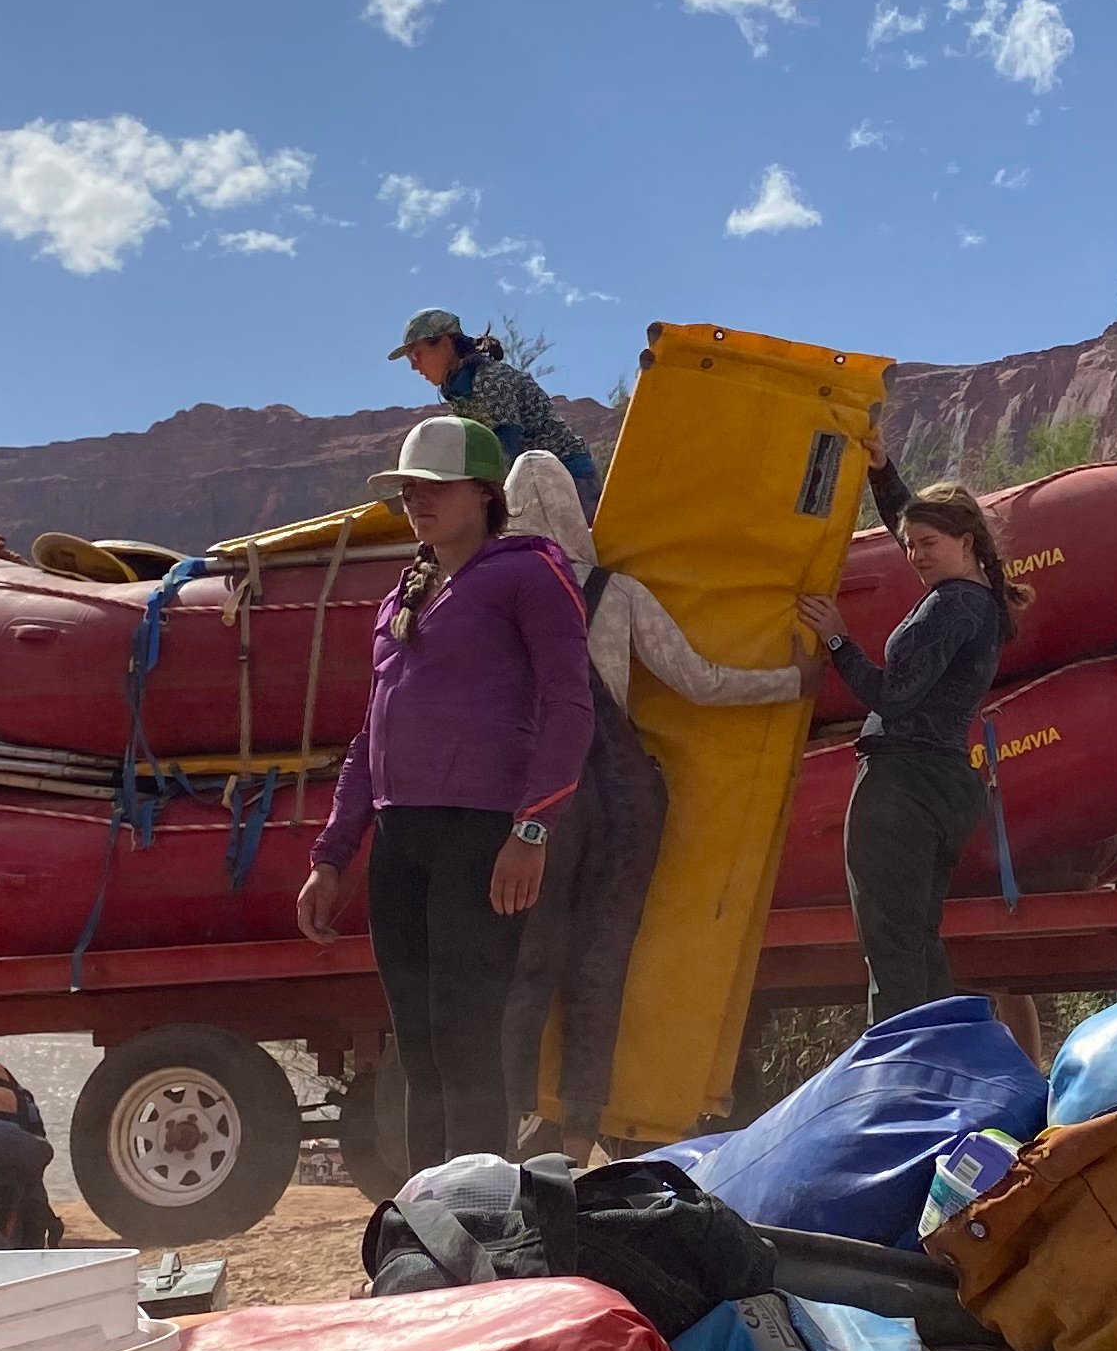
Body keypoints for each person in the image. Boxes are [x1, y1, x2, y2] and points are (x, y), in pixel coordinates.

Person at [294, 415, 595, 1168]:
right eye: (407, 489)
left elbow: (570, 705)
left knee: (468, 1042)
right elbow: (372, 733)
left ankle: (483, 1224)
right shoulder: (403, 597)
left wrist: (532, 831)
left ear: (485, 493)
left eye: (435, 487)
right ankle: (427, 1229)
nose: (417, 501)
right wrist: (332, 854)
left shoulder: (531, 572)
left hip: (483, 836)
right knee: (419, 1051)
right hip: (402, 843)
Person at [496, 448, 810, 1145]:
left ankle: (503, 1128)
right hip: (624, 800)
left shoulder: (499, 595)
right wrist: (790, 681)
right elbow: (697, 680)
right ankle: (579, 1135)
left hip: (542, 801)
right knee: (601, 966)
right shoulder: (619, 591)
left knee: (528, 964)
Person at [796, 479, 1018, 1021]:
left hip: (902, 783)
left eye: (927, 544)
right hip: (940, 780)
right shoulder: (978, 599)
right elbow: (914, 519)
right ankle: (936, 1062)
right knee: (916, 936)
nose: (915, 555)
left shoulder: (953, 606)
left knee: (890, 942)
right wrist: (881, 469)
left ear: (965, 541)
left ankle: (900, 1071)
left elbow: (892, 697)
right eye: (909, 544)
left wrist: (836, 639)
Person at [392, 308, 597, 506]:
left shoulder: (489, 379)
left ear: (445, 344)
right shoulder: (463, 391)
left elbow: (506, 447)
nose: (413, 366)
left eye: (416, 355)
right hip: (533, 482)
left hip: (567, 478)